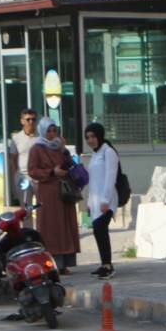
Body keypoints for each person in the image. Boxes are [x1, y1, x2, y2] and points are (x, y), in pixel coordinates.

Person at [27, 118, 81, 275]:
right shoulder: (36, 149)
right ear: (43, 131)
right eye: (48, 131)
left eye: (54, 131)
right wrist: (51, 172)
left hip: (64, 192)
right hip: (48, 193)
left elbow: (71, 164)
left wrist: (65, 153)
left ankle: (65, 263)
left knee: (66, 226)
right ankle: (51, 263)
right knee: (51, 228)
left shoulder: (60, 147)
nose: (51, 134)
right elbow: (32, 171)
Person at [84, 122, 120, 280]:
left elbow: (110, 177)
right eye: (87, 137)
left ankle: (108, 266)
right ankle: (104, 264)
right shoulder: (95, 154)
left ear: (99, 135)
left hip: (107, 200)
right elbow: (93, 181)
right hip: (96, 202)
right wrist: (89, 202)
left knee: (100, 230)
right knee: (98, 231)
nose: (90, 140)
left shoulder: (108, 152)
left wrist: (105, 200)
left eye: (92, 136)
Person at [7, 108, 39, 226]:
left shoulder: (41, 137)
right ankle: (28, 235)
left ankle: (42, 234)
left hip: (39, 177)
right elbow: (13, 158)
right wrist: (16, 175)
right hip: (23, 178)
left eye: (34, 119)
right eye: (28, 119)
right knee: (26, 210)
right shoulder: (16, 138)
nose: (31, 122)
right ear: (22, 121)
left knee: (42, 208)